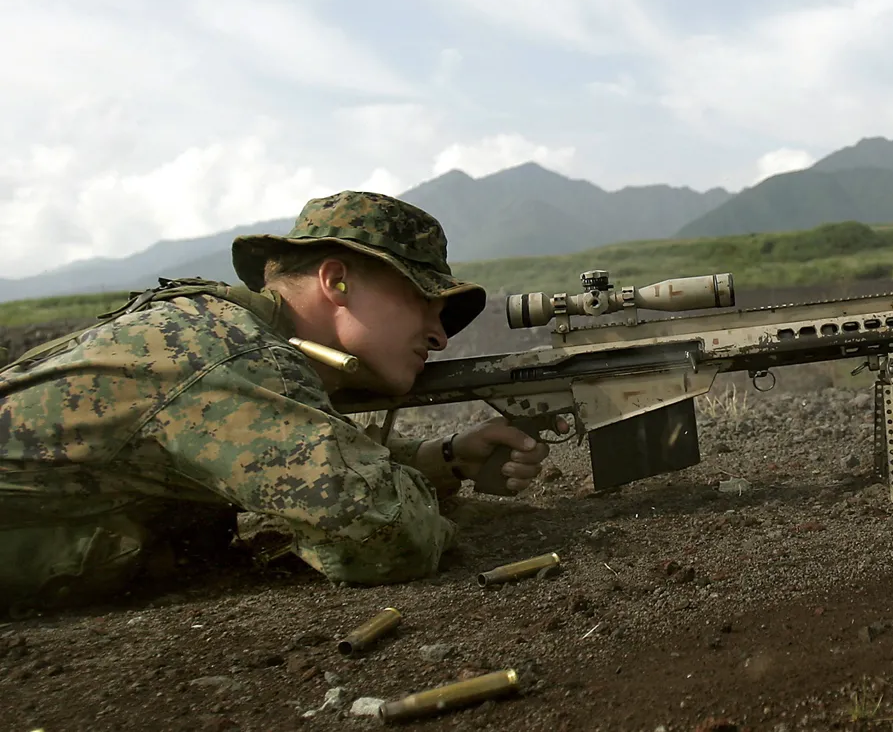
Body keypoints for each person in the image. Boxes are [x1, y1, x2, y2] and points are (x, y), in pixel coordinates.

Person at [0, 190, 552, 612]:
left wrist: (447, 458)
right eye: (423, 301)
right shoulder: (229, 351)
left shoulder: (230, 337)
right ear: (335, 281)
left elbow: (314, 458)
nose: (439, 336)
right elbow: (381, 530)